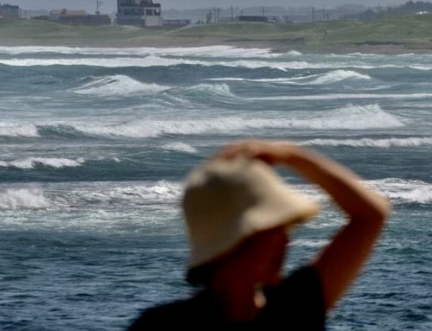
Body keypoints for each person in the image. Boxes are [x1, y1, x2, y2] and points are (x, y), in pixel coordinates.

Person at [127, 139, 391, 330]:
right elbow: (370, 216)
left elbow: (371, 215)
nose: (285, 241)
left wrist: (288, 154)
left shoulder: (293, 307)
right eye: (271, 231)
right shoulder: (162, 325)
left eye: (284, 228)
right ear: (232, 243)